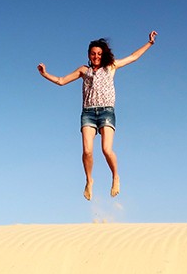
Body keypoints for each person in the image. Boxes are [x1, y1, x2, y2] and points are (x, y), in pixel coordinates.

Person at [38, 31, 157, 200]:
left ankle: (115, 176)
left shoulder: (111, 67)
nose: (96, 57)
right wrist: (45, 74)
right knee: (87, 151)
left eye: (99, 54)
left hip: (106, 111)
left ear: (103, 55)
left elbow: (133, 57)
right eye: (93, 54)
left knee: (106, 149)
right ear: (89, 55)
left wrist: (149, 43)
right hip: (88, 113)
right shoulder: (83, 70)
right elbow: (61, 81)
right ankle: (89, 181)